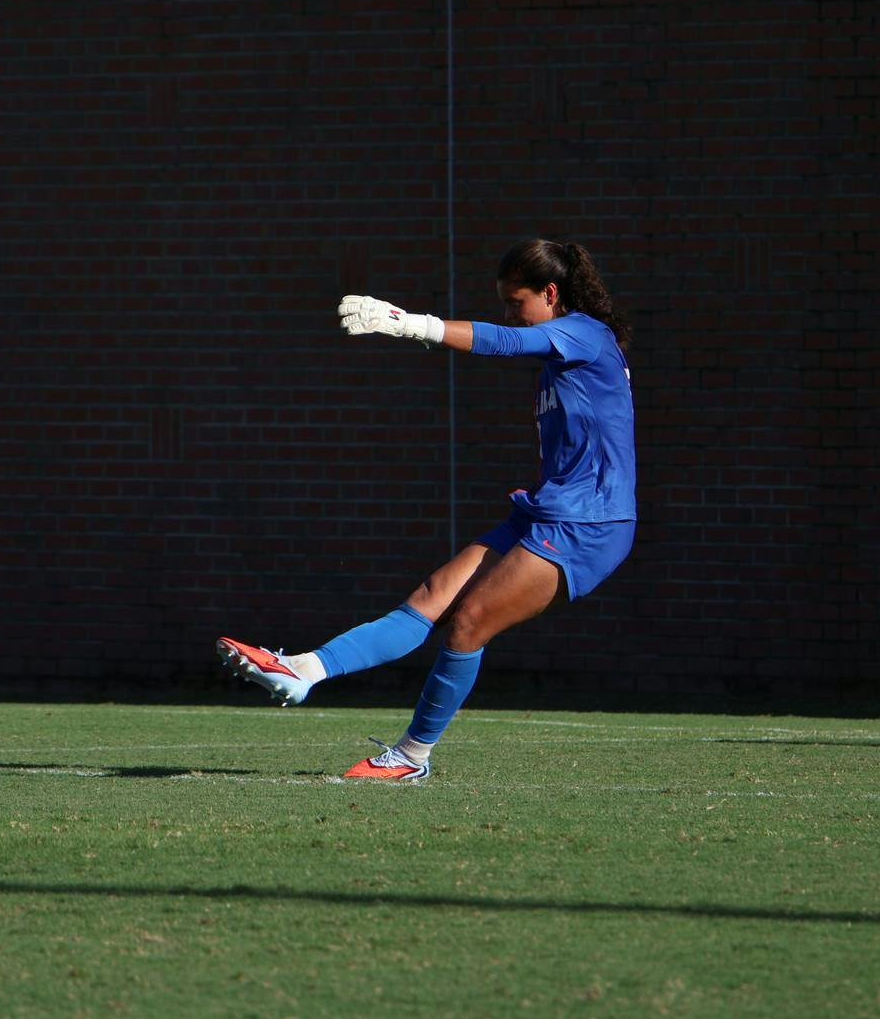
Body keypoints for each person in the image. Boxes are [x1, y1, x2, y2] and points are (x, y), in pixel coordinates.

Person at [216, 238, 637, 782]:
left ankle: (412, 755)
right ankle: (301, 670)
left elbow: (503, 342)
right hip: (549, 511)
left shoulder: (586, 334)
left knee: (467, 624)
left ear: (551, 293)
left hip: (590, 524)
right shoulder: (565, 350)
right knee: (432, 598)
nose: (510, 313)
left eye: (516, 301)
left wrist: (410, 323)